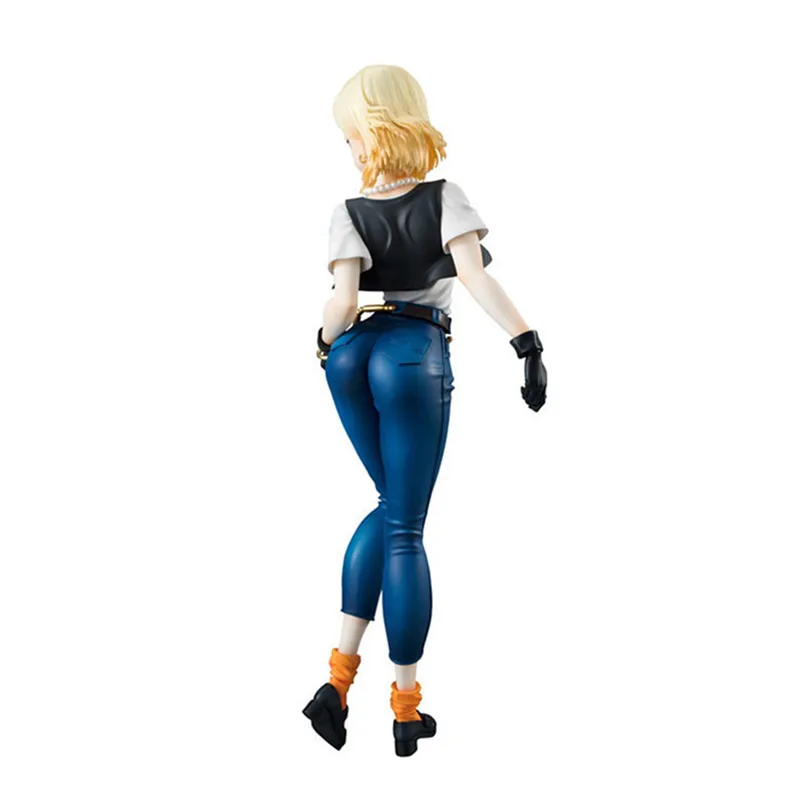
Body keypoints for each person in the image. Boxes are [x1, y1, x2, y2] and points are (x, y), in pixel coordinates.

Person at [302, 65, 547, 757]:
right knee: (405, 526)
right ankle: (405, 710)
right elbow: (473, 277)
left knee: (390, 507)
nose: (351, 148)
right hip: (413, 355)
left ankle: (336, 685)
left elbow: (341, 303)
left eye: (352, 135)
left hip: (352, 354)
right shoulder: (445, 198)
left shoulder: (348, 212)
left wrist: (322, 342)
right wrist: (526, 342)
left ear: (374, 130)